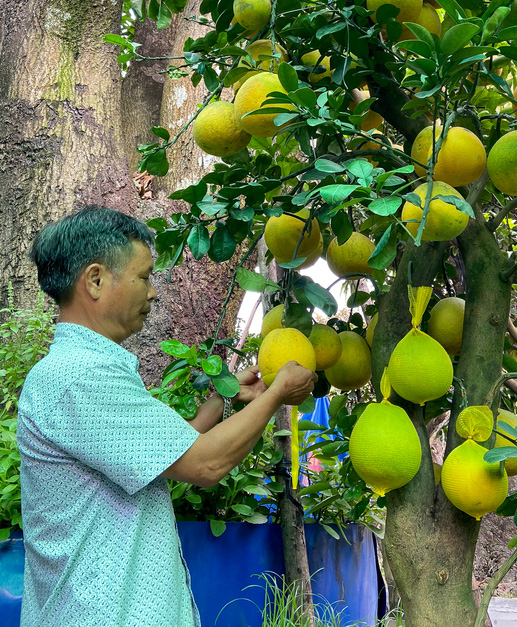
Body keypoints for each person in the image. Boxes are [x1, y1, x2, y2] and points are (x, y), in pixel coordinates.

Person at [17, 206, 317, 627]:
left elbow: (167, 452)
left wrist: (226, 399)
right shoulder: (80, 377)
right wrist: (279, 394)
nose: (153, 292)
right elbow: (205, 463)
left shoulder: (81, 370)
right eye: (144, 276)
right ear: (96, 280)